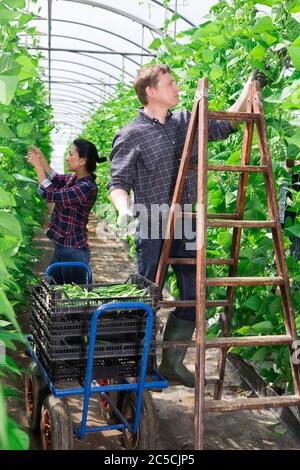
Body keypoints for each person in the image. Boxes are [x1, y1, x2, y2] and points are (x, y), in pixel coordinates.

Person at [108, 64, 267, 387]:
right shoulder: (130, 134)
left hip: (187, 222)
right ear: (152, 92)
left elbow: (227, 123)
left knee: (194, 294)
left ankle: (172, 362)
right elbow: (118, 182)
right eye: (170, 83)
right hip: (152, 222)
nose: (177, 87)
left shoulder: (186, 121)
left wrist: (248, 88)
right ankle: (138, 362)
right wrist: (124, 209)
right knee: (146, 294)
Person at [28, 138, 104, 284]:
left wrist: (37, 167)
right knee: (54, 289)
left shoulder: (85, 187)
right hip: (62, 246)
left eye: (71, 154)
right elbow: (56, 179)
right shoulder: (74, 178)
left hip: (74, 250)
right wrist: (42, 159)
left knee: (73, 297)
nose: (67, 158)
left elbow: (49, 194)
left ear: (82, 161)